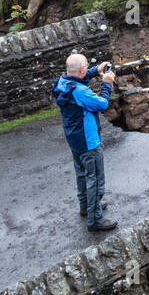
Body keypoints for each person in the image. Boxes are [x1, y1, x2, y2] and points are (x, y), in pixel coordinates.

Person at [52, 53, 117, 231]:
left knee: (81, 175)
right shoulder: (80, 92)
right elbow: (102, 104)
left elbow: (79, 78)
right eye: (87, 67)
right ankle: (95, 219)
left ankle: (85, 207)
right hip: (89, 142)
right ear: (81, 69)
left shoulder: (62, 83)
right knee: (94, 179)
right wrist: (107, 83)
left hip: (74, 139)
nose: (87, 69)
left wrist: (96, 70)